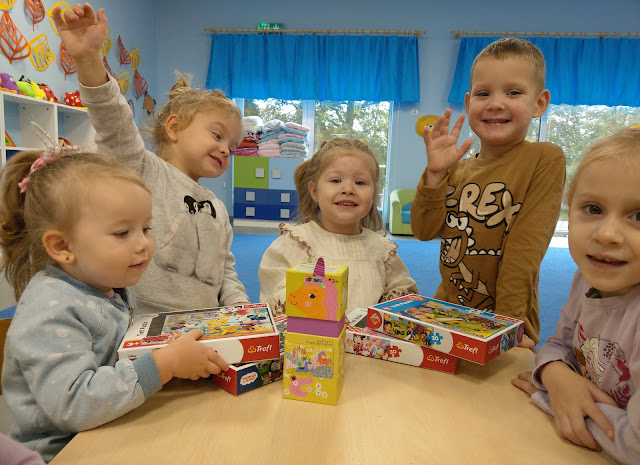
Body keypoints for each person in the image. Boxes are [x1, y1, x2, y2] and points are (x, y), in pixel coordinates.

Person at [0, 149, 229, 462]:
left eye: (146, 228)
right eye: (122, 233)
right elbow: (74, 405)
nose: (143, 244)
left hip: (114, 429)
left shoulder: (108, 284)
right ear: (63, 246)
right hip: (61, 457)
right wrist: (166, 363)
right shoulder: (49, 311)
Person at [52, 4, 249, 313]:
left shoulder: (218, 208)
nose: (226, 149)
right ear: (174, 128)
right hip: (144, 323)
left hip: (206, 323)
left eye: (233, 147)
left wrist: (240, 306)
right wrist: (88, 57)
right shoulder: (140, 170)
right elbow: (113, 120)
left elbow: (225, 271)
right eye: (217, 135)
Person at [410, 38, 566, 346]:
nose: (495, 103)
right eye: (484, 93)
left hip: (505, 319)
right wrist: (435, 175)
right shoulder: (456, 168)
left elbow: (524, 253)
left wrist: (507, 328)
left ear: (539, 103)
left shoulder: (544, 159)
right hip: (447, 313)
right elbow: (423, 231)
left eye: (513, 92)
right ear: (469, 104)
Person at [512, 127, 640, 465]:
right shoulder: (586, 280)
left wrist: (552, 397)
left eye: (638, 216)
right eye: (593, 208)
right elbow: (558, 344)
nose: (607, 234)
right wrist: (555, 373)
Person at [259, 138, 418, 316]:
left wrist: (391, 302)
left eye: (360, 182)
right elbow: (275, 293)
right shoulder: (297, 244)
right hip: (309, 333)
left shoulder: (382, 250)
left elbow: (403, 287)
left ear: (373, 195)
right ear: (314, 191)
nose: (348, 189)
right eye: (336, 180)